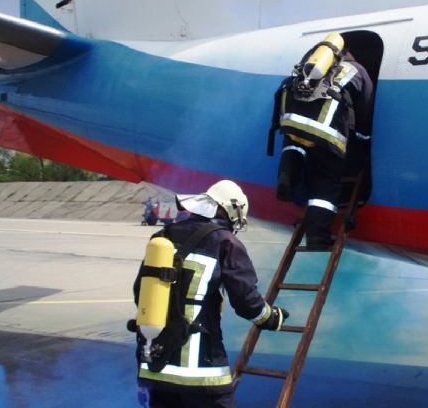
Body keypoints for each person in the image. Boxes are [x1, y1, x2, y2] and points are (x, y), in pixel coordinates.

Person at [131, 179, 289, 408]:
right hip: (201, 372)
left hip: (156, 365)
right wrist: (271, 318)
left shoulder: (162, 236)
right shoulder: (226, 242)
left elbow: (140, 291)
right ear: (232, 211)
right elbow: (246, 301)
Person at [270, 35, 374, 251]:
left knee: (295, 147)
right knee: (326, 182)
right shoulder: (358, 71)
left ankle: (287, 178)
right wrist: (363, 142)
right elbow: (365, 112)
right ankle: (317, 236)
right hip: (326, 133)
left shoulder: (306, 67)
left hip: (293, 124)